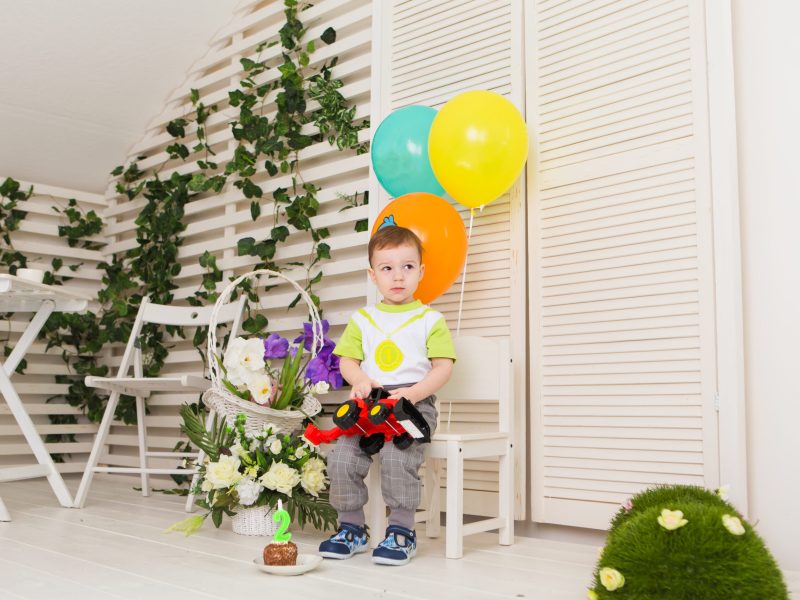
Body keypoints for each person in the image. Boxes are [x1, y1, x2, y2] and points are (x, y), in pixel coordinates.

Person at [318, 225, 456, 566]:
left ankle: (401, 531)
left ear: (421, 272)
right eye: (387, 268)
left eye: (408, 267)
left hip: (414, 405)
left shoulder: (430, 319)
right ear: (372, 274)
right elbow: (347, 361)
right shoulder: (363, 320)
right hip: (370, 405)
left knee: (398, 457)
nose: (398, 276)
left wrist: (412, 393)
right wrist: (361, 379)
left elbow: (442, 368)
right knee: (343, 457)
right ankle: (351, 528)